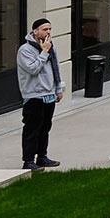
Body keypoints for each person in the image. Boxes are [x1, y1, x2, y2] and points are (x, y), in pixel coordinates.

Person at [16, 18, 63, 169]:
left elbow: (56, 68)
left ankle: (42, 157)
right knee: (32, 129)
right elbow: (33, 69)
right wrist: (43, 52)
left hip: (49, 94)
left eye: (49, 29)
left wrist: (58, 89)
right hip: (33, 96)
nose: (48, 32)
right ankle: (28, 160)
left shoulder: (50, 47)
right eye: (44, 29)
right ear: (35, 31)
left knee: (45, 128)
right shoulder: (25, 50)